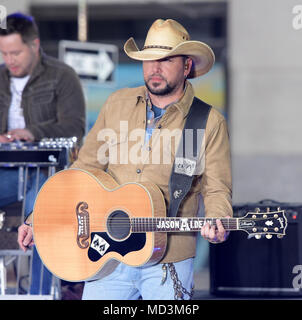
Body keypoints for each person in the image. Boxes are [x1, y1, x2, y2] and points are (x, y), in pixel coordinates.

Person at [19, 18, 232, 300]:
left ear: (186, 66)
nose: (154, 68)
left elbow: (216, 188)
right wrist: (38, 219)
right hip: (106, 255)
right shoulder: (117, 104)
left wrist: (218, 219)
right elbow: (84, 169)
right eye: (148, 59)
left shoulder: (206, 121)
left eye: (165, 60)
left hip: (168, 259)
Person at [0, 13, 86, 295]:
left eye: (15, 52)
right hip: (6, 173)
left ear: (34, 45)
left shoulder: (62, 76)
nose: (9, 60)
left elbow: (75, 126)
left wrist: (32, 131)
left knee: (42, 208)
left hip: (48, 173)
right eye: (4, 53)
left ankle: (40, 291)